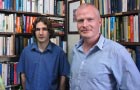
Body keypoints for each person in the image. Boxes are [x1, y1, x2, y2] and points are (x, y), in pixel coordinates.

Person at [70, 3, 140, 90]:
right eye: (80, 20)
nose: (84, 25)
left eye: (90, 19)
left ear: (100, 22)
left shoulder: (117, 52)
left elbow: (134, 87)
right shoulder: (75, 50)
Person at [17, 17, 70, 90]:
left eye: (44, 29)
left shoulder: (59, 53)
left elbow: (63, 78)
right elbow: (23, 76)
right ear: (34, 32)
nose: (41, 33)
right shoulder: (26, 52)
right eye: (38, 29)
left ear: (49, 32)